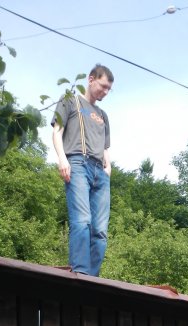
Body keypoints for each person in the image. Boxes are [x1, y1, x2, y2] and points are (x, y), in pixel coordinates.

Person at [52, 64, 114, 276]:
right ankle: (81, 273)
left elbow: (105, 148)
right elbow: (56, 132)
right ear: (91, 79)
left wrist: (108, 169)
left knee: (100, 231)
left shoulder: (103, 115)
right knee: (82, 221)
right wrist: (62, 159)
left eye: (108, 89)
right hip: (78, 164)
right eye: (103, 86)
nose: (105, 92)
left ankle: (92, 278)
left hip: (100, 171)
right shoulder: (70, 100)